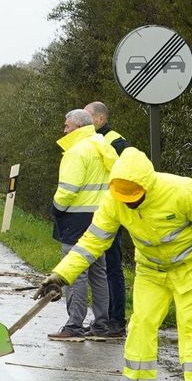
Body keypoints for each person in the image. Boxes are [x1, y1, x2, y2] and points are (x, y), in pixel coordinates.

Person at [34, 146, 192, 381]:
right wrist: (60, 276)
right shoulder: (114, 199)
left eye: (135, 197)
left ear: (148, 184)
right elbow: (93, 242)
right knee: (140, 326)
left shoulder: (182, 191)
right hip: (151, 270)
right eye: (124, 198)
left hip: (191, 267)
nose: (130, 203)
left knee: (191, 326)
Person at [49, 109, 116, 342]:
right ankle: (101, 324)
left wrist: (56, 208)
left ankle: (74, 325)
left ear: (77, 128)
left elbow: (68, 189)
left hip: (76, 218)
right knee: (98, 272)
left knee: (75, 272)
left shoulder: (77, 151)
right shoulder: (102, 145)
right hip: (102, 217)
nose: (64, 130)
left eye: (67, 126)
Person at [85, 100, 130, 339]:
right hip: (99, 212)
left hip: (112, 213)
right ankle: (103, 319)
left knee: (111, 267)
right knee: (100, 269)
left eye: (87, 117)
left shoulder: (115, 141)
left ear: (100, 119)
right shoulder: (96, 140)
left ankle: (116, 320)